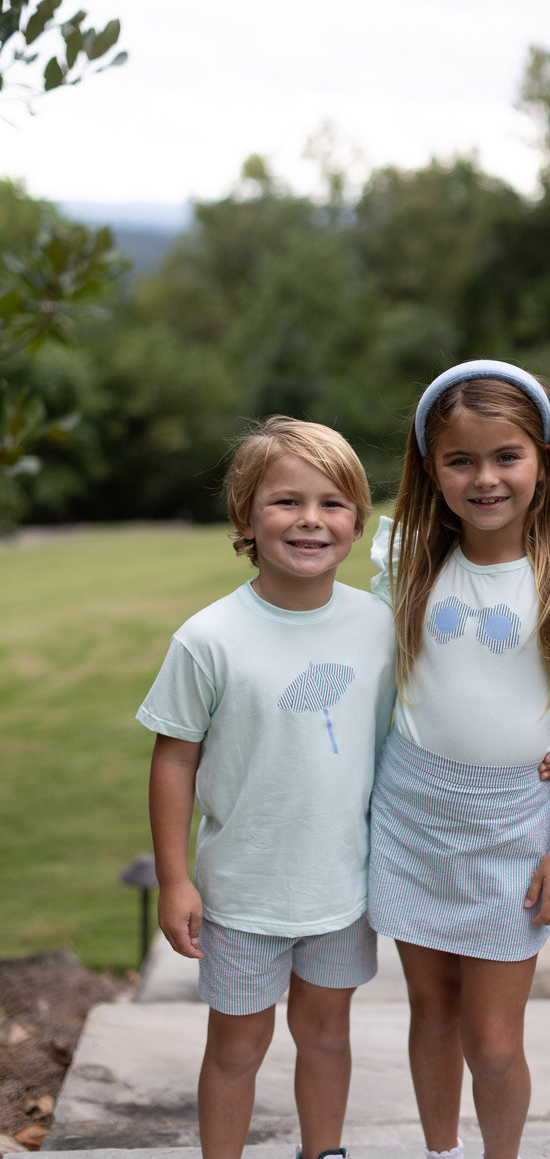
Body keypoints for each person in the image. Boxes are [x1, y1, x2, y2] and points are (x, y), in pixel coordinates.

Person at [367, 360, 550, 1159]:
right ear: (430, 468)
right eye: (460, 460)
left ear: (545, 461)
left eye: (506, 456)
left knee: (491, 1043)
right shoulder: (409, 562)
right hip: (412, 816)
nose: (485, 478)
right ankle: (440, 1153)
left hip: (510, 832)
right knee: (431, 1012)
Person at [138, 416, 397, 1159]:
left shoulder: (378, 626)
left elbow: (430, 718)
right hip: (242, 891)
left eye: (333, 502)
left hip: (343, 883)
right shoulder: (209, 638)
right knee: (237, 1047)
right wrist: (175, 879)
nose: (311, 520)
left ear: (355, 521)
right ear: (246, 516)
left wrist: (546, 733)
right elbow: (173, 760)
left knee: (325, 1035)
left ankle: (325, 1153)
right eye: (286, 501)